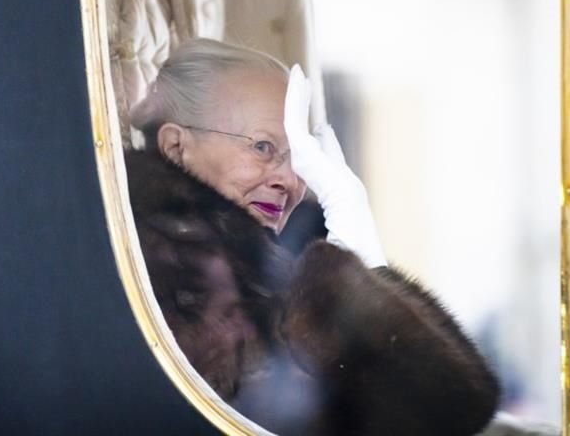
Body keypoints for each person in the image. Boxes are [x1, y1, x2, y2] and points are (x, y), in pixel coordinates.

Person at [126, 38, 500, 436]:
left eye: (298, 157)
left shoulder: (253, 260)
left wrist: (360, 264)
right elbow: (441, 414)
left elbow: (458, 407)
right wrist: (347, 284)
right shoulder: (186, 273)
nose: (289, 180)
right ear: (176, 147)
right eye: (263, 147)